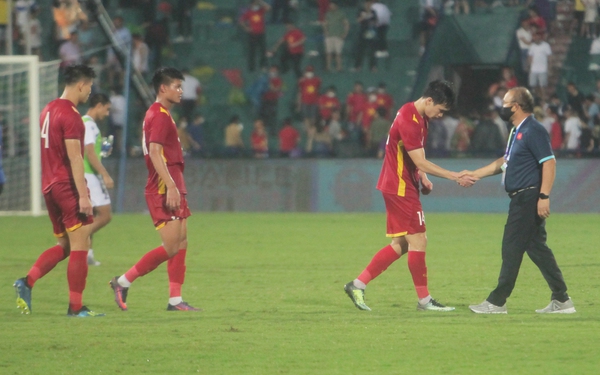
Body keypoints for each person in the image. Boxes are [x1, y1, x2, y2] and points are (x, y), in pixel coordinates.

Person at [343, 80, 476, 312]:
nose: (439, 115)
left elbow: (416, 157)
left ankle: (357, 285)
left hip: (402, 184)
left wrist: (422, 176)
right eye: (440, 110)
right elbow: (420, 160)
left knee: (402, 244)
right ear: (429, 101)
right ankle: (424, 301)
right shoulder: (409, 119)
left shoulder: (418, 116)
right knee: (419, 239)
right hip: (400, 187)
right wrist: (454, 176)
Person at [468, 87, 575, 314]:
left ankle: (497, 301)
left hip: (528, 196)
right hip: (522, 197)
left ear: (515, 106)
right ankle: (562, 300)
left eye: (505, 103)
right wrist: (476, 174)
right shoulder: (518, 130)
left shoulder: (533, 130)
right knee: (537, 248)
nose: (502, 107)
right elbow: (505, 161)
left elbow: (549, 162)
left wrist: (544, 196)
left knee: (511, 247)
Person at [13, 64, 104, 317]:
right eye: (90, 86)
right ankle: (76, 308)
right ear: (81, 85)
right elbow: (76, 158)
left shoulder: (48, 109)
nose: (90, 91)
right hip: (67, 187)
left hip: (49, 186)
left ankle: (27, 282)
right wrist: (84, 196)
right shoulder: (72, 115)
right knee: (80, 245)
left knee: (64, 245)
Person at [109, 67, 200, 312]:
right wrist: (170, 185)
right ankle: (122, 281)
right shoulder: (158, 115)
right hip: (163, 185)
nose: (181, 91)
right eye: (177, 86)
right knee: (171, 246)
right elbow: (155, 152)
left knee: (181, 243)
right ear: (163, 88)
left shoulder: (163, 114)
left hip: (173, 182)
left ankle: (175, 300)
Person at [82, 93, 113, 267]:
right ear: (99, 105)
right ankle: (76, 238)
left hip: (85, 173)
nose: (107, 114)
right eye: (107, 109)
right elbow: (90, 153)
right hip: (89, 174)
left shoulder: (84, 123)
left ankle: (88, 254)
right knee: (105, 215)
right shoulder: (89, 125)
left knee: (90, 215)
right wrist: (104, 174)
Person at [239, 0, 270, 73]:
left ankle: (263, 65)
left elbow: (269, 8)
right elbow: (241, 21)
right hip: (252, 34)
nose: (256, 5)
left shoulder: (260, 11)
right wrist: (246, 28)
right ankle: (251, 67)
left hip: (261, 33)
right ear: (251, 4)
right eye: (255, 4)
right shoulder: (248, 12)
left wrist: (260, 2)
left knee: (263, 50)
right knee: (252, 51)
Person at [322, 1, 349, 72]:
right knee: (328, 53)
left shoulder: (341, 14)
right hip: (329, 36)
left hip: (338, 36)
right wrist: (325, 32)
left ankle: (339, 67)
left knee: (338, 53)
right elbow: (325, 24)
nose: (331, 7)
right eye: (330, 5)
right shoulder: (328, 14)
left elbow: (346, 24)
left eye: (332, 5)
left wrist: (345, 34)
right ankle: (328, 67)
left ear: (336, 6)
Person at [353, 0, 377, 72]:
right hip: (363, 32)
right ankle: (358, 66)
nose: (368, 5)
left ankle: (373, 67)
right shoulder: (361, 11)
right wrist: (364, 16)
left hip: (371, 32)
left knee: (372, 51)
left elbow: (376, 21)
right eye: (367, 3)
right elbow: (358, 20)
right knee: (360, 50)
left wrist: (371, 20)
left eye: (370, 3)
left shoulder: (373, 12)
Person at [527, 31, 551, 101]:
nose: (537, 39)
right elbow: (530, 57)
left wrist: (549, 67)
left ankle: (543, 99)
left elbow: (549, 57)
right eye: (535, 37)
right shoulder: (532, 46)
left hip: (543, 69)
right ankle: (537, 98)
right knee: (533, 85)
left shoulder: (546, 45)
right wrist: (529, 66)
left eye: (538, 37)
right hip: (533, 69)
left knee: (542, 86)